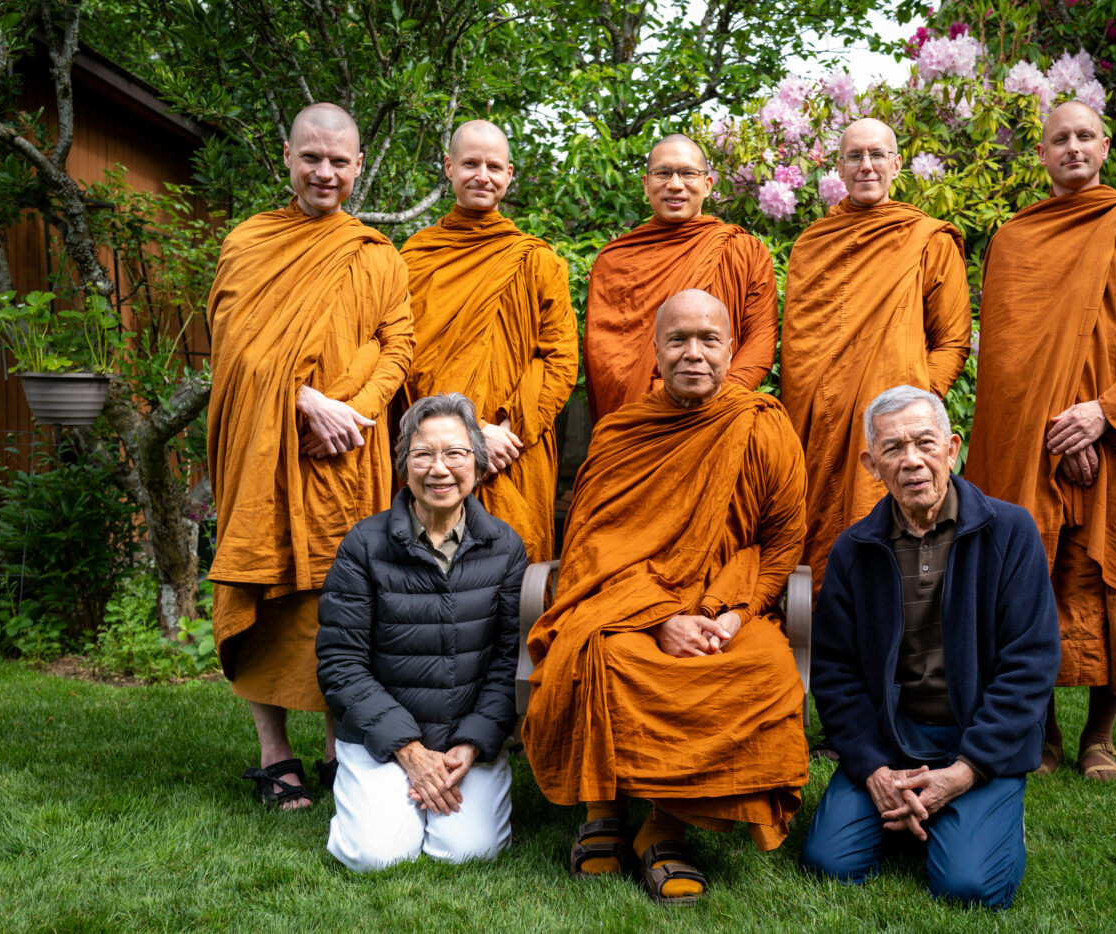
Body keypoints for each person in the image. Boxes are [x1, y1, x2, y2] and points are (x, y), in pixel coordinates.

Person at [522, 288, 808, 905]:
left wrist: (733, 616)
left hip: (728, 601)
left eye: (709, 339)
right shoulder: (622, 433)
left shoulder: (761, 423)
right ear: (655, 350)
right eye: (678, 340)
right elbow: (591, 548)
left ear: (732, 348)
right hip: (628, 599)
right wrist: (657, 620)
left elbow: (785, 540)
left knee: (761, 669)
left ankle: (665, 827)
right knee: (601, 653)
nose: (694, 353)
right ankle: (602, 814)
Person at [964, 100, 1116, 780]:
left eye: (1084, 136)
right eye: (1058, 138)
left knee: (1107, 576)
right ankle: (1040, 733)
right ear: (1041, 154)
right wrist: (1053, 432)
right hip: (1028, 443)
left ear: (1104, 147)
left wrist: (1101, 412)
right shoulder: (1013, 240)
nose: (1072, 146)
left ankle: (1101, 736)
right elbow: (1009, 363)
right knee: (1024, 578)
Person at [207, 102, 414, 809]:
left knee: (344, 599)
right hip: (267, 450)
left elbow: (399, 343)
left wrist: (353, 412)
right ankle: (275, 755)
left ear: (359, 167)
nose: (324, 172)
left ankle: (339, 748)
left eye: (338, 161)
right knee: (264, 585)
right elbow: (235, 352)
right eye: (311, 158)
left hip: (349, 456)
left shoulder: (377, 253)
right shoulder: (249, 242)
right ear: (287, 158)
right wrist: (303, 401)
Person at [801, 386, 1059, 909]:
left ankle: (973, 807)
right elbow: (834, 671)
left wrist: (965, 771)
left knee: (969, 888)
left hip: (977, 735)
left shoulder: (1010, 531)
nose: (912, 460)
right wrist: (874, 768)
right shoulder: (854, 549)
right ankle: (914, 808)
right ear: (872, 465)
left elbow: (1030, 665)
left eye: (924, 442)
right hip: (890, 737)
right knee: (829, 865)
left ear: (951, 448)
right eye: (893, 449)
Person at [316, 393, 525, 871]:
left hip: (463, 738)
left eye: (455, 453)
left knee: (468, 852)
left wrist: (472, 744)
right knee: (376, 856)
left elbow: (508, 661)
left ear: (478, 461)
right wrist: (408, 751)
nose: (440, 469)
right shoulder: (363, 545)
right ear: (403, 466)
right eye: (423, 454)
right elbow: (340, 662)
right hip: (384, 737)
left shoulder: (505, 547)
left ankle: (439, 797)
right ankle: (374, 795)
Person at [781, 117, 972, 590]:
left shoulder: (927, 239)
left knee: (895, 538)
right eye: (854, 156)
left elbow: (952, 340)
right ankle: (831, 650)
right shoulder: (812, 245)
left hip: (894, 428)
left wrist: (915, 403)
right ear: (839, 168)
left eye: (877, 155)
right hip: (820, 426)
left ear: (896, 164)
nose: (866, 166)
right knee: (824, 544)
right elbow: (801, 352)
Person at [401, 119, 578, 563]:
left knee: (514, 582)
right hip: (434, 448)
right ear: (448, 167)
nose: (483, 175)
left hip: (514, 447)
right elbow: (406, 355)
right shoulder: (415, 257)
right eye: (471, 164)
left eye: (494, 166)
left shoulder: (537, 260)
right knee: (426, 569)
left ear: (509, 174)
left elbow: (559, 358)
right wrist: (470, 434)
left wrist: (505, 429)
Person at [583, 134, 777, 423]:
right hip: (642, 422)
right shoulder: (615, 260)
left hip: (721, 414)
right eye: (663, 173)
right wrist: (665, 400)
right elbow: (607, 361)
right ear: (646, 186)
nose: (675, 184)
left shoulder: (744, 251)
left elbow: (760, 341)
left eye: (688, 173)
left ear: (707, 185)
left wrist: (714, 402)